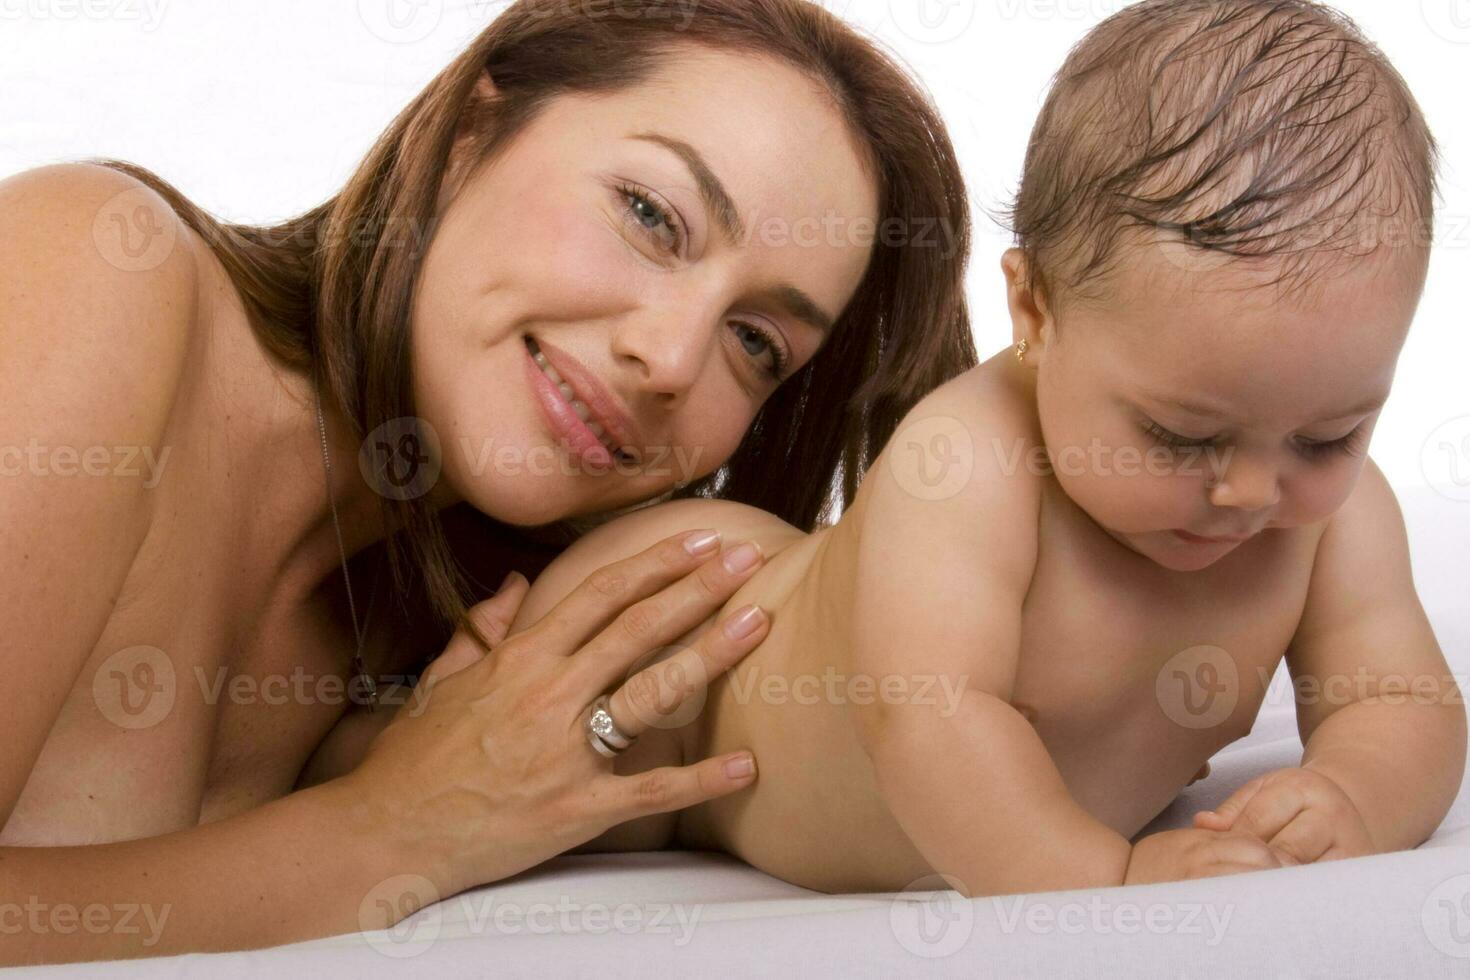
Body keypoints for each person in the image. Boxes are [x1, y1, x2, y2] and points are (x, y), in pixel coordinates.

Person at [0, 0, 976, 963]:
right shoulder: (95, 269)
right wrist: (392, 828)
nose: (673, 357)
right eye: (650, 215)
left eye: (757, 340)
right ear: (468, 135)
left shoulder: (452, 650)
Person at [497, 0, 1466, 896]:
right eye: (1182, 434)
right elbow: (932, 719)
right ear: (1036, 309)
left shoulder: (1333, 518)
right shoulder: (968, 463)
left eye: (1328, 434)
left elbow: (1405, 702)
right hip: (695, 653)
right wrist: (1106, 881)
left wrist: (1356, 794)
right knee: (506, 744)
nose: (1252, 489)